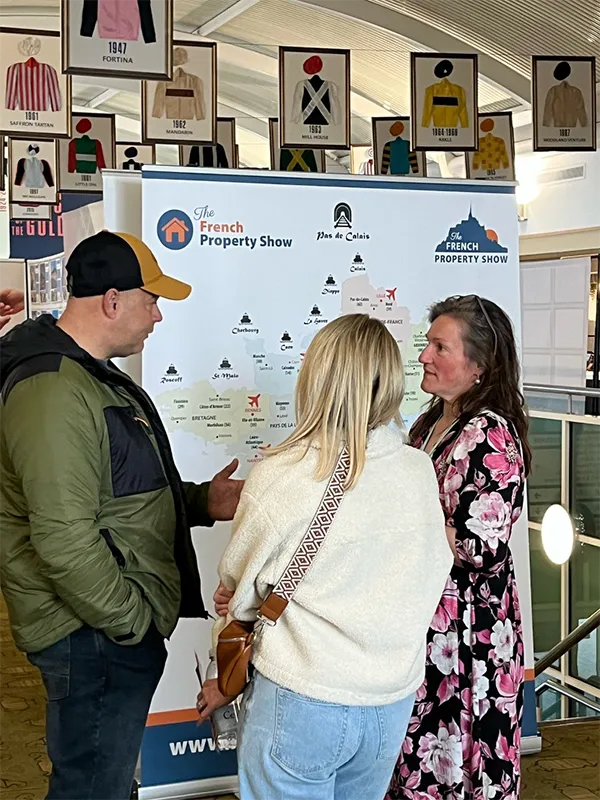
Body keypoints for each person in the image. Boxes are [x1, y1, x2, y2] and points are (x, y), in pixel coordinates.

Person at [0, 231, 243, 800]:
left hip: (102, 630)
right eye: (151, 300)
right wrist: (131, 623)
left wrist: (200, 501)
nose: (158, 315)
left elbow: (115, 492)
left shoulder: (87, 375)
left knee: (104, 779)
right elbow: (63, 537)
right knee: (92, 786)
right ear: (112, 300)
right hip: (91, 636)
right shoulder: (52, 389)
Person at [198, 314, 452, 800]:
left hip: (302, 696)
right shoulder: (418, 470)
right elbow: (432, 570)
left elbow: (239, 589)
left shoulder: (282, 474)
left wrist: (241, 598)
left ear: (317, 377)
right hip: (390, 701)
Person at [387, 295, 530, 800]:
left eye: (440, 347)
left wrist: (404, 525)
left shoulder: (490, 433)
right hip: (430, 620)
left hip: (469, 636)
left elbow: (480, 544)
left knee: (457, 759)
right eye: (427, 344)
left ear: (479, 366)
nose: (424, 355)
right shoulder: (430, 423)